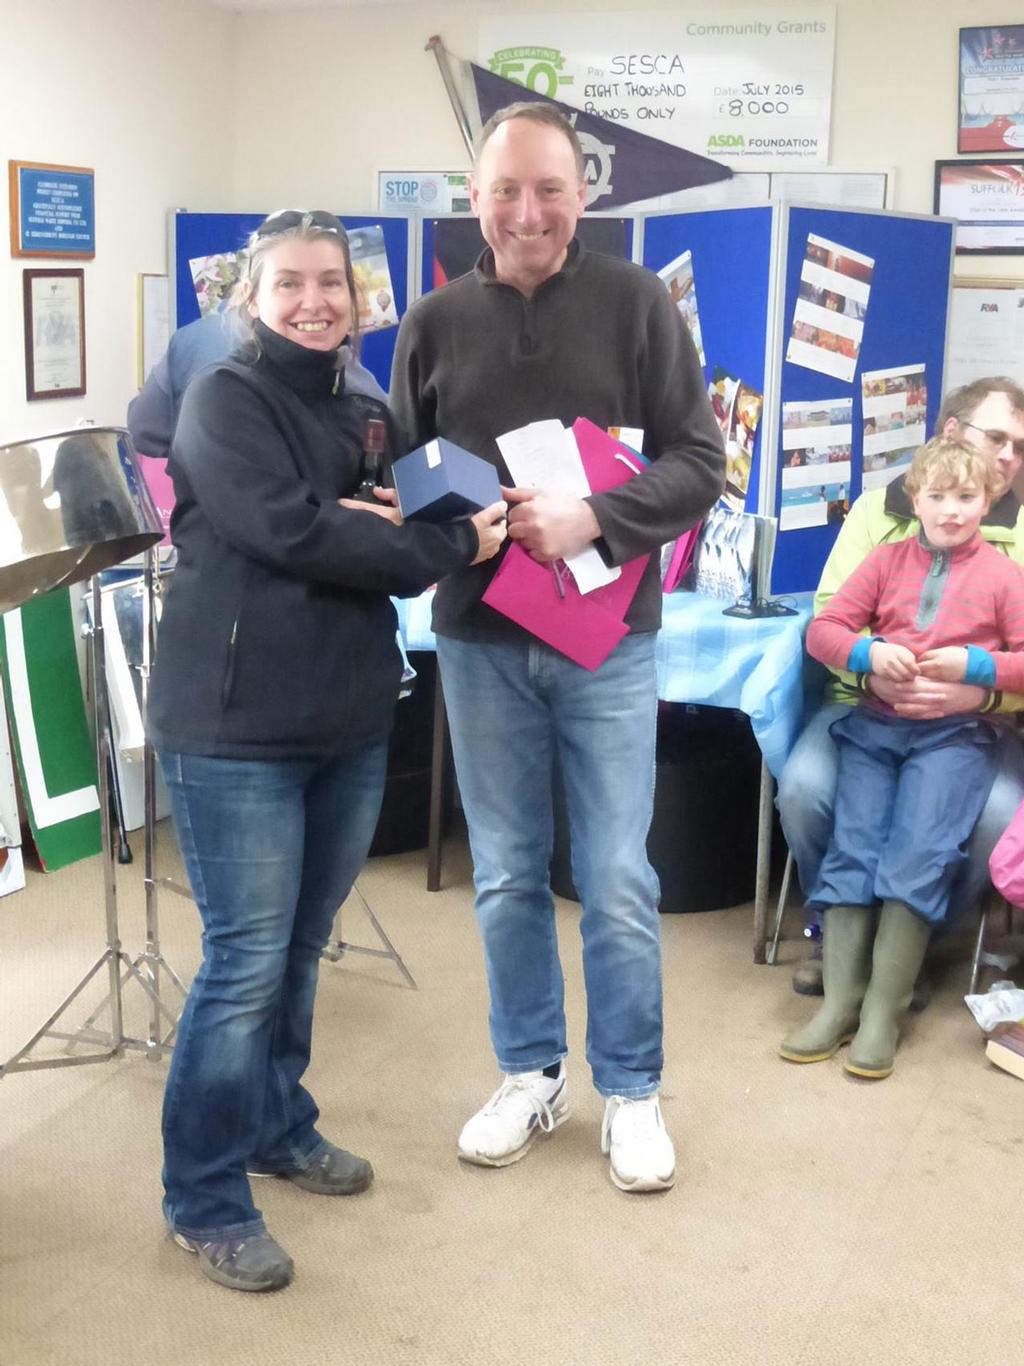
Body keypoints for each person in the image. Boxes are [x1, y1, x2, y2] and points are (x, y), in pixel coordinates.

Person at [146, 209, 507, 1292]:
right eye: (291, 284)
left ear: (359, 301)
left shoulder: (364, 403)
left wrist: (496, 503)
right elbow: (301, 531)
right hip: (235, 729)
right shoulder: (223, 401)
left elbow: (423, 498)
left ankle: (275, 1122)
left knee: (301, 949)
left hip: (346, 719)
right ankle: (203, 1195)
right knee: (244, 963)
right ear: (250, 298)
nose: (314, 302)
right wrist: (437, 541)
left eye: (333, 286)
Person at [390, 103, 725, 1193]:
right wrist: (458, 528)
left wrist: (595, 521)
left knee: (618, 874)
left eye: (547, 189)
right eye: (504, 190)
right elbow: (405, 474)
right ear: (474, 196)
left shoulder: (636, 305)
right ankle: (531, 1071)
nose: (526, 212)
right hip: (480, 638)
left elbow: (698, 460)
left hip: (607, 644)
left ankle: (631, 1087)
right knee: (504, 873)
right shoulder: (432, 321)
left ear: (583, 193)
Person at [780, 436, 1024, 1078]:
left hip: (954, 740)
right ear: (914, 499)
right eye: (937, 496)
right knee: (853, 848)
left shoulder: (1005, 576)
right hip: (874, 730)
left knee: (919, 855)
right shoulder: (886, 560)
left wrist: (979, 665)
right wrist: (866, 654)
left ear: (989, 500)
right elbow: (824, 630)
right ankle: (839, 1006)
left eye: (966, 497)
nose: (950, 511)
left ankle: (884, 1013)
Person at [127, 300, 387, 462]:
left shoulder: (190, 337)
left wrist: (195, 453)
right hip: (291, 520)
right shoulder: (314, 346)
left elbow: (143, 430)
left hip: (205, 523)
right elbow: (382, 420)